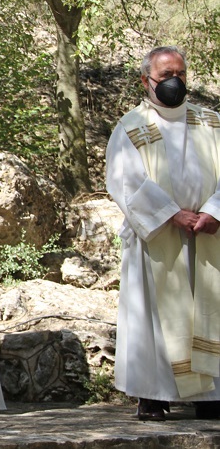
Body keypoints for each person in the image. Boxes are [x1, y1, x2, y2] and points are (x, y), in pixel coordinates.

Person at [106, 46, 220, 421]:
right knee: (154, 318)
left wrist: (214, 212)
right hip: (157, 239)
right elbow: (124, 181)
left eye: (180, 74)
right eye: (165, 75)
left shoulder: (210, 122)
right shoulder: (131, 127)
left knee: (209, 310)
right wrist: (172, 214)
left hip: (208, 235)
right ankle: (153, 395)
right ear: (146, 81)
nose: (174, 82)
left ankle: (210, 394)